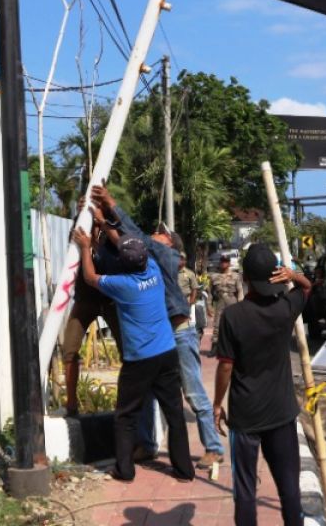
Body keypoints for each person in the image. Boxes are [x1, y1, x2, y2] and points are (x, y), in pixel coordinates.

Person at [89, 187, 225, 468]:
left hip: (178, 334)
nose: (154, 234)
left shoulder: (162, 256)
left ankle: (213, 447)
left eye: (160, 233)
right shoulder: (148, 260)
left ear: (169, 243)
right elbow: (129, 244)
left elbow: (133, 238)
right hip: (161, 340)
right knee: (149, 394)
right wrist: (103, 221)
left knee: (192, 391)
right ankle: (148, 445)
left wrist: (112, 206)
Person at [71, 226, 195, 482]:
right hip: (167, 353)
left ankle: (124, 470)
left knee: (126, 416)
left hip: (139, 361)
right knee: (174, 413)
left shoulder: (121, 285)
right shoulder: (154, 270)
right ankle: (184, 471)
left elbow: (90, 277)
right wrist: (104, 224)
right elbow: (130, 246)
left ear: (121, 263)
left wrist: (85, 247)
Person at [212, 244, 310, 526]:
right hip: (281, 413)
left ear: (245, 279)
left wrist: (218, 404)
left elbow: (226, 366)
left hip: (245, 417)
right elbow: (306, 287)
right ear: (275, 276)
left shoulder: (233, 316)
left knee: (245, 492)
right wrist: (292, 275)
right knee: (289, 488)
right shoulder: (286, 308)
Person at [59, 204, 124, 417]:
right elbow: (74, 242)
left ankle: (125, 401)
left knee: (127, 352)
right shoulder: (78, 232)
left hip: (108, 299)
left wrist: (95, 240)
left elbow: (115, 255)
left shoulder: (110, 237)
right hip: (85, 299)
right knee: (69, 349)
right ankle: (71, 404)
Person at [209, 253, 242, 349]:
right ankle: (214, 346)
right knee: (217, 324)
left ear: (229, 263)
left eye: (226, 261)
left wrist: (240, 304)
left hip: (232, 301)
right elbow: (210, 293)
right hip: (220, 301)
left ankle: (234, 346)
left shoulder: (236, 276)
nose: (224, 263)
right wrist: (209, 306)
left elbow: (240, 291)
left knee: (234, 324)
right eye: (222, 261)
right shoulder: (214, 276)